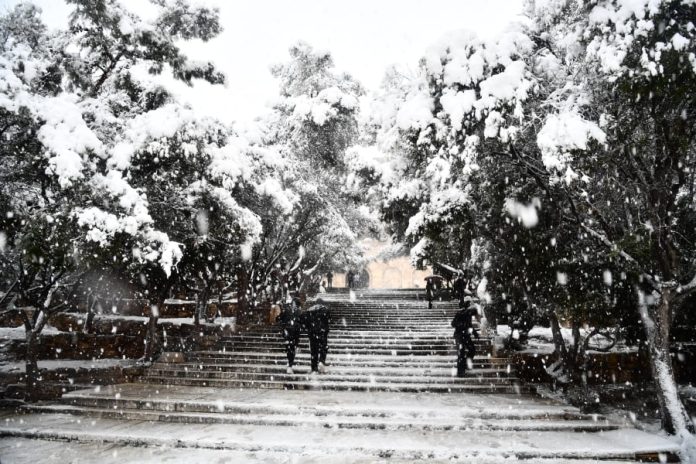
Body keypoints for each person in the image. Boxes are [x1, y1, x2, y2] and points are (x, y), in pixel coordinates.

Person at [300, 297, 331, 374]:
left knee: (314, 351)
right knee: (324, 347)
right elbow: (328, 320)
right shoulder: (325, 309)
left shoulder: (309, 310)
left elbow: (304, 321)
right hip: (322, 332)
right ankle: (321, 361)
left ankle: (314, 369)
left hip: (312, 333)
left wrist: (309, 329)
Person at [451, 298, 479, 377]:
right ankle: (460, 371)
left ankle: (466, 363)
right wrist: (462, 326)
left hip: (466, 335)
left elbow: (469, 325)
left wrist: (475, 333)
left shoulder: (469, 315)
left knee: (472, 349)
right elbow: (453, 324)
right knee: (461, 352)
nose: (472, 315)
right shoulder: (460, 313)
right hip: (459, 335)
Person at [276, 296, 302, 374]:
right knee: (289, 349)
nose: (293, 305)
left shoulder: (299, 312)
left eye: (294, 303)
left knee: (292, 349)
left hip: (295, 333)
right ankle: (290, 364)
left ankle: (290, 364)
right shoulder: (287, 311)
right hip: (288, 333)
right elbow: (279, 319)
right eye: (293, 303)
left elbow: (301, 322)